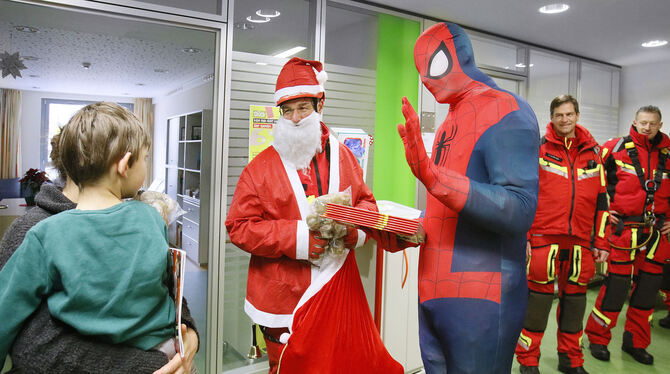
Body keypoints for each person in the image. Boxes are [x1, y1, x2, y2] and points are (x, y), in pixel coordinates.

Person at [378, 22, 539, 373]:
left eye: (431, 65)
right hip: (435, 292)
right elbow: (448, 208)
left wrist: (436, 179)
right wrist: (401, 227)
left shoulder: (507, 110)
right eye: (419, 69)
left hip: (482, 296)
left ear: (458, 55)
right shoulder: (451, 119)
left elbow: (520, 209)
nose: (424, 79)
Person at [225, 57, 402, 374]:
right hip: (282, 296)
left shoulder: (344, 155)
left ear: (320, 103)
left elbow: (366, 205)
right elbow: (238, 227)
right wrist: (298, 238)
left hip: (337, 289)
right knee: (287, 367)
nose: (294, 118)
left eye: (302, 107)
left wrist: (351, 232)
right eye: (287, 110)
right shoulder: (260, 168)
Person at [0, 102, 195, 373]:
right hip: (165, 351)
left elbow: (6, 309)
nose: (146, 166)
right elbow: (168, 286)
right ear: (125, 164)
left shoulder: (45, 235)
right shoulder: (151, 218)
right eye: (145, 158)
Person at [514, 95, 610, 374]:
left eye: (569, 114)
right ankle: (528, 360)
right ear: (552, 118)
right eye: (559, 115)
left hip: (581, 241)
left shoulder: (594, 153)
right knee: (538, 303)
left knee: (575, 305)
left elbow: (603, 201)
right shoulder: (538, 150)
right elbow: (526, 196)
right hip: (544, 238)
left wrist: (602, 241)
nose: (565, 119)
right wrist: (526, 237)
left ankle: (571, 360)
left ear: (577, 115)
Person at [585, 105, 670, 366]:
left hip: (657, 234)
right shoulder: (614, 148)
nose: (647, 127)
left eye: (652, 123)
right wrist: (601, 212)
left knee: (646, 292)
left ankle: (635, 342)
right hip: (622, 231)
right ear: (635, 121)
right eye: (643, 122)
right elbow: (589, 182)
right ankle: (598, 338)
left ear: (660, 124)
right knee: (615, 289)